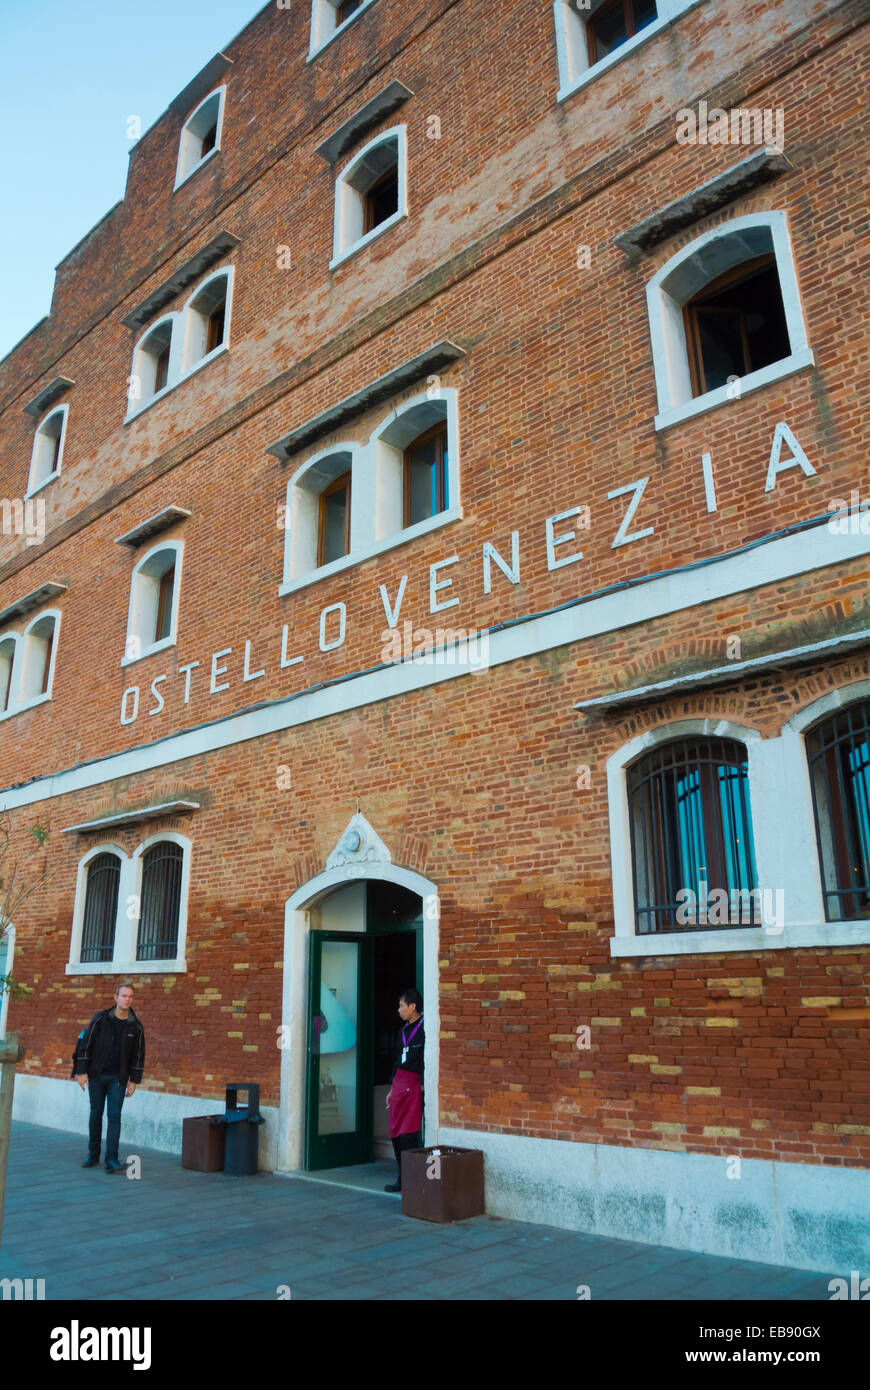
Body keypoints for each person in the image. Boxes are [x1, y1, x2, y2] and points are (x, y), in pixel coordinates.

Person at [73, 983, 145, 1173]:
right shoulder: (100, 1019)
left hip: (118, 1079)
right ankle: (93, 1154)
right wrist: (81, 1072)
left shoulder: (135, 1026)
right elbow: (84, 1045)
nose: (127, 999)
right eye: (123, 995)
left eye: (130, 996)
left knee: (114, 1116)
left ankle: (112, 1159)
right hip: (96, 1076)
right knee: (96, 1114)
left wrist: (134, 1080)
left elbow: (138, 1054)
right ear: (115, 998)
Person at [384, 987, 424, 1193]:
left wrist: (424, 1081)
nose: (398, 1010)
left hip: (414, 1083)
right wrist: (392, 1087)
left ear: (413, 1006)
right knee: (395, 1133)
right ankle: (401, 1177)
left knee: (409, 1134)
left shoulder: (425, 1027)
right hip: (399, 1084)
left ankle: (414, 1180)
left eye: (401, 1006)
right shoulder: (402, 1032)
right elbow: (396, 1061)